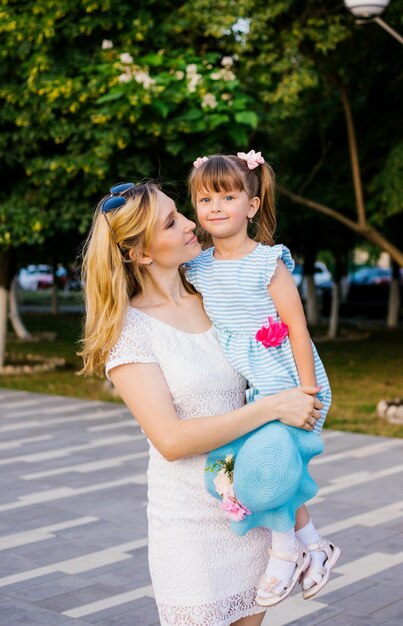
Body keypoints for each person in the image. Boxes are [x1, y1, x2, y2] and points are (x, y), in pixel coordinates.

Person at [78, 180, 324, 626]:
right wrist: (273, 408)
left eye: (180, 211)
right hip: (188, 524)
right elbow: (171, 440)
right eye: (173, 222)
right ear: (143, 253)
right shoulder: (130, 333)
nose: (193, 222)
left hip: (247, 509)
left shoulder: (216, 297)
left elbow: (274, 355)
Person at [186, 152, 341, 607]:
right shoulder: (197, 268)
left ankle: (285, 551)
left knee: (264, 470)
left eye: (228, 196)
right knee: (247, 469)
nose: (215, 207)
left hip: (291, 381)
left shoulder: (266, 262)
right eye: (205, 198)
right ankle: (315, 546)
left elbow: (296, 326)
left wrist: (307, 392)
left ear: (251, 206)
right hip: (256, 389)